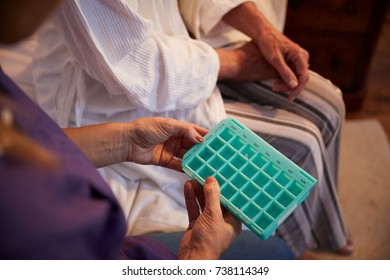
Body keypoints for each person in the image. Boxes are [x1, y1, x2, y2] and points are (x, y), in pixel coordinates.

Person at [27, 0, 351, 258]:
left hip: (186, 46)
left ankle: (324, 228)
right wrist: (237, 63)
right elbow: (135, 62)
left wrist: (264, 31)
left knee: (329, 103)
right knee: (301, 142)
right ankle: (300, 242)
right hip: (123, 86)